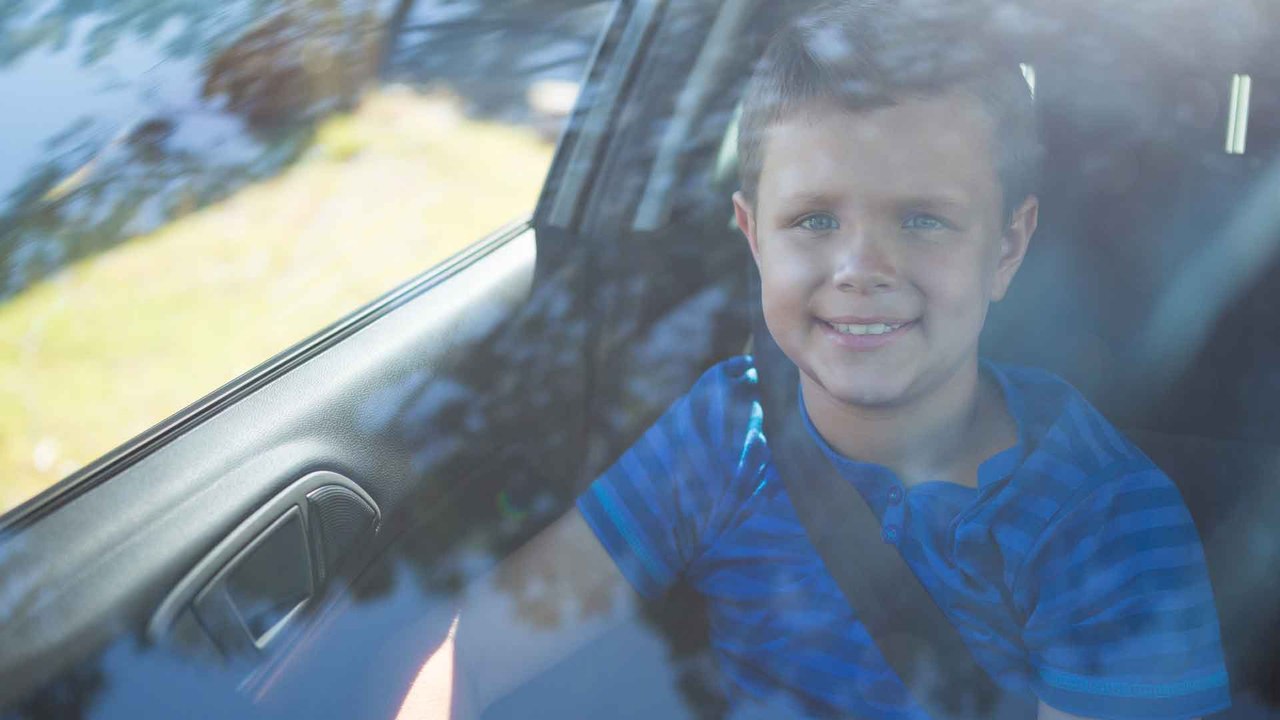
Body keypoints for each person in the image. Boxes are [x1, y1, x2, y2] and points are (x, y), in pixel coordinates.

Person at [397, 1, 1231, 718]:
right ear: (754, 237)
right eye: (815, 221)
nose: (862, 268)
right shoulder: (723, 435)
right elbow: (478, 644)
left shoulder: (1101, 523)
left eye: (924, 220)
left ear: (1008, 247)